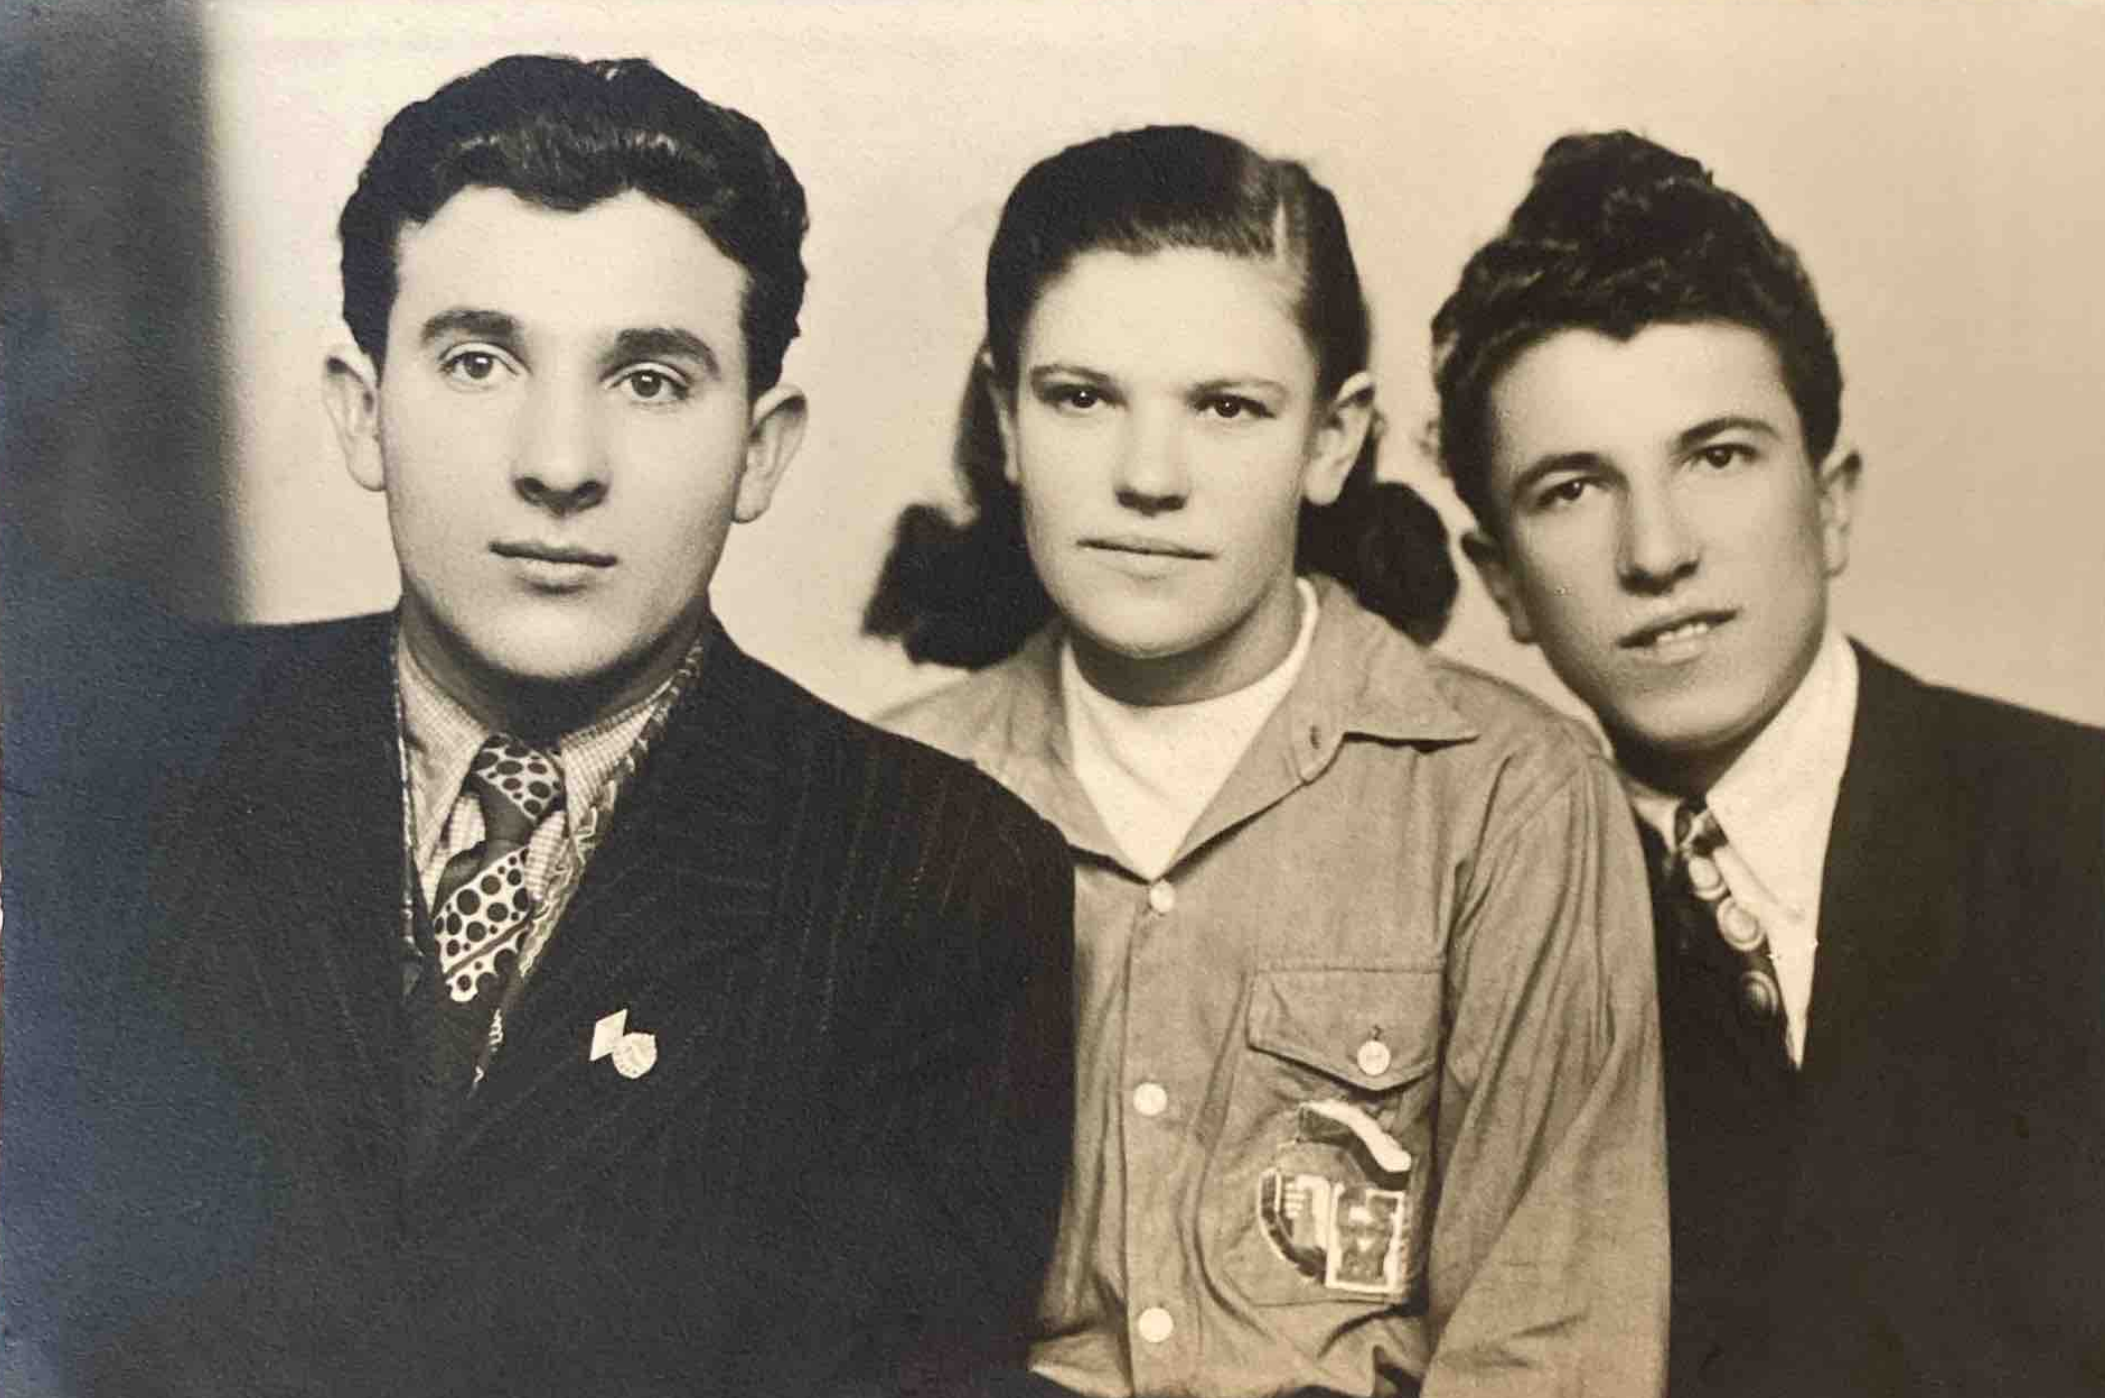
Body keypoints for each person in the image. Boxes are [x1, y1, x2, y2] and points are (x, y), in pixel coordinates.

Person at [99, 54, 1075, 1397]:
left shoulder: (938, 881)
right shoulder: (114, 765)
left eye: (650, 379)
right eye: (479, 360)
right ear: (361, 410)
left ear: (762, 448)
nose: (559, 463)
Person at [866, 125, 1666, 1398]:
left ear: (1332, 438)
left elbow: (1551, 1349)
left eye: (1227, 408)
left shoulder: (1507, 800)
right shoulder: (881, 805)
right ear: (1004, 417)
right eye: (1081, 398)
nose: (1147, 478)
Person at [1435, 130, 2105, 1397]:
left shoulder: (2077, 832)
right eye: (1571, 488)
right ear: (1500, 583)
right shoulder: (1479, 916)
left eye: (1717, 456)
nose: (1655, 551)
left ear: (1831, 498)